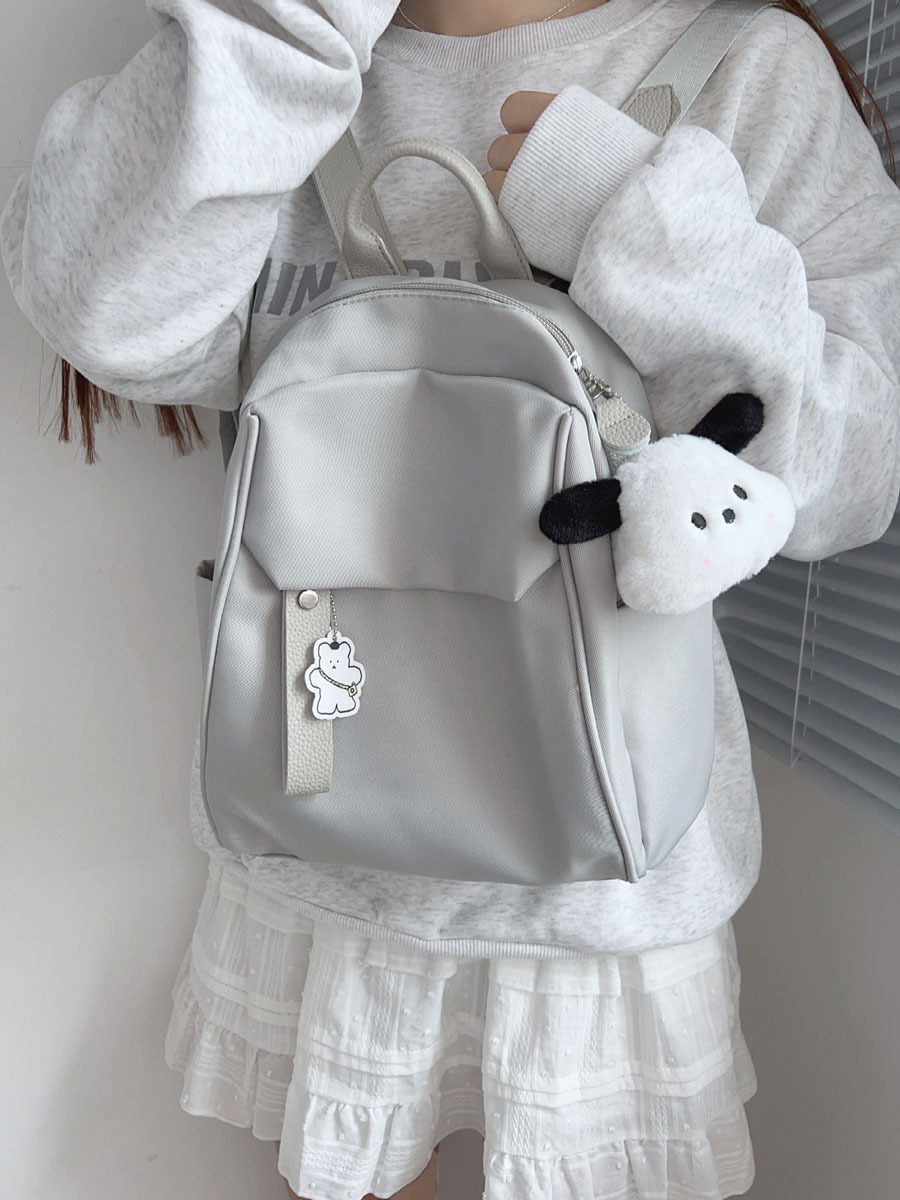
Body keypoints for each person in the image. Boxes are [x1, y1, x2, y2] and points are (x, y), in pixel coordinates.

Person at [2, 1, 898, 1198]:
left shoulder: (744, 65)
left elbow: (853, 473)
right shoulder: (279, 44)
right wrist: (286, 34)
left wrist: (634, 220)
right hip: (322, 855)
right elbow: (100, 310)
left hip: (606, 890)